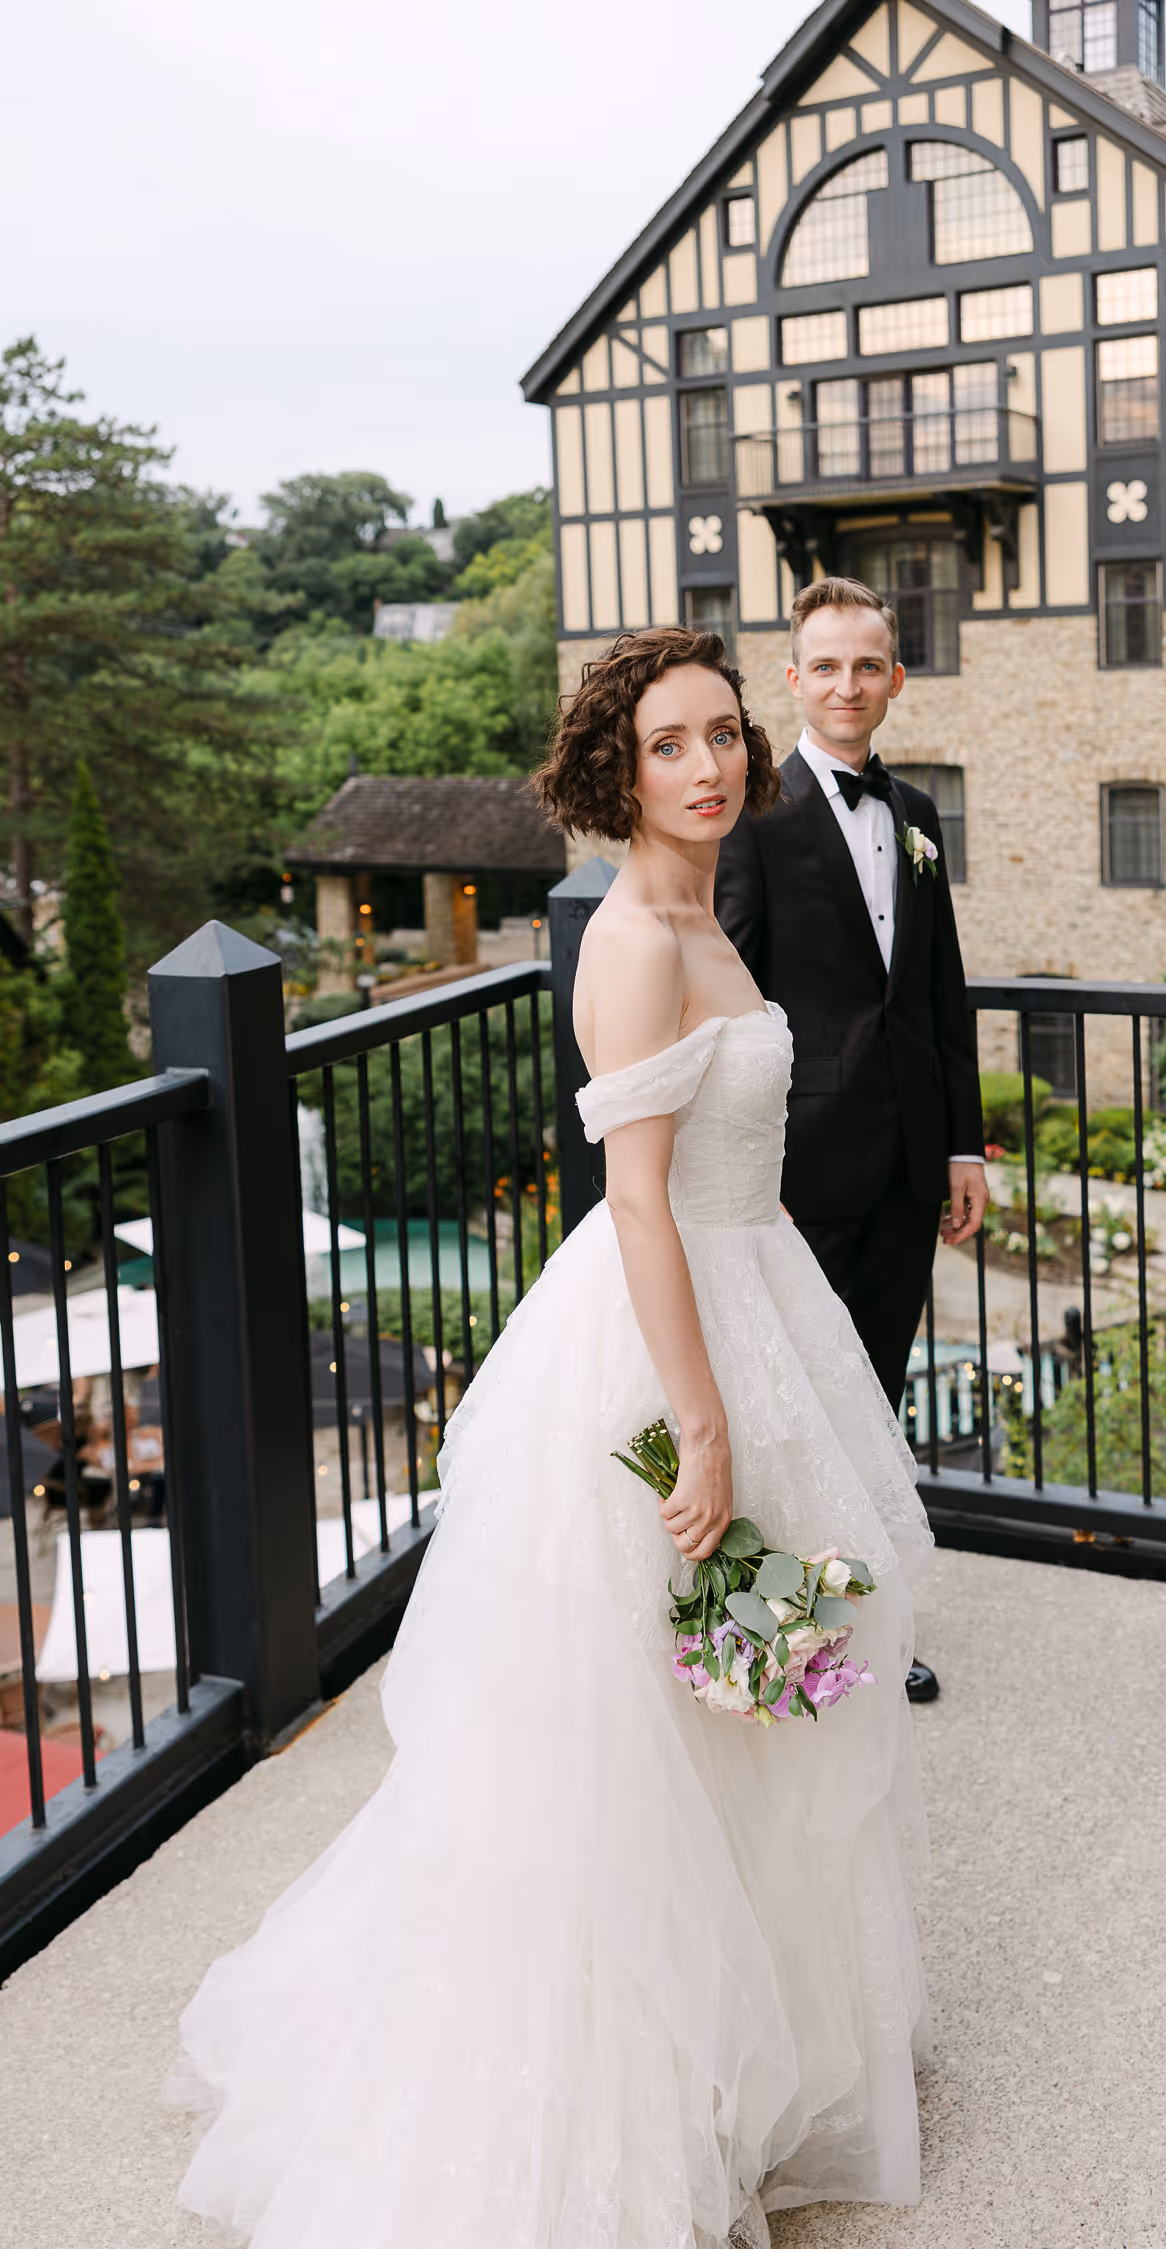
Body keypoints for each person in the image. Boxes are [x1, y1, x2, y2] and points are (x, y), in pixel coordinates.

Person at [171, 625, 932, 2249]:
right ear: (616, 767)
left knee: (749, 1700)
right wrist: (705, 1422)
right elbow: (640, 1199)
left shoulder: (700, 913)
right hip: (663, 1346)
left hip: (755, 1295)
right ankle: (612, 2091)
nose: (714, 763)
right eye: (673, 743)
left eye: (726, 732)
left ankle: (757, 2046)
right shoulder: (637, 944)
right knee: (621, 1743)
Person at [715, 577, 987, 1704]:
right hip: (797, 1179)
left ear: (895, 679)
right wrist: (748, 1166)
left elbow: (941, 990)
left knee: (870, 1403)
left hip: (908, 1167)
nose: (846, 684)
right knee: (791, 1411)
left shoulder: (918, 817)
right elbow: (726, 995)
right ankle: (779, 1639)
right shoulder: (751, 815)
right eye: (824, 665)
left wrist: (965, 1144)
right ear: (793, 679)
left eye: (867, 665)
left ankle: (862, 1624)